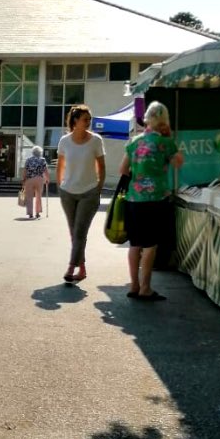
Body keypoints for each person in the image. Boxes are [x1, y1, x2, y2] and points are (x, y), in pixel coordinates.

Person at [119, 100, 184, 302]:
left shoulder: (134, 142)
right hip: (155, 199)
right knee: (150, 245)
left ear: (147, 119)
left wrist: (139, 174)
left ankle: (134, 285)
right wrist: (169, 137)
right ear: (164, 121)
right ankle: (145, 288)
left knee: (135, 244)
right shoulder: (165, 143)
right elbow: (178, 163)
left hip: (133, 199)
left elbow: (122, 170)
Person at [56, 104, 106, 283]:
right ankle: (82, 268)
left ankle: (71, 267)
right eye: (85, 119)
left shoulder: (96, 140)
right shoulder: (64, 141)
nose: (89, 122)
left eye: (89, 119)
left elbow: (101, 166)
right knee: (74, 232)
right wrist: (60, 186)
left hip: (88, 193)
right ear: (75, 121)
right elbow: (60, 165)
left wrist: (98, 188)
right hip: (68, 192)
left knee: (79, 232)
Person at [22, 145, 49, 219]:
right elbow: (45, 170)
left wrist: (23, 179)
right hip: (39, 179)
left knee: (29, 197)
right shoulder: (42, 160)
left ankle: (30, 213)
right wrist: (47, 179)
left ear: (32, 152)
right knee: (38, 196)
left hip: (29, 179)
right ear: (40, 152)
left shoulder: (28, 160)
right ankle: (37, 213)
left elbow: (25, 170)